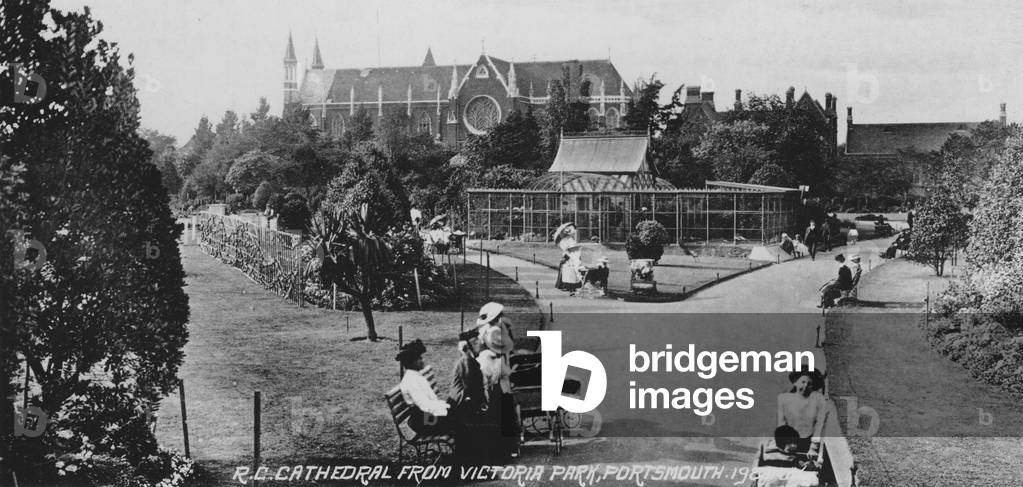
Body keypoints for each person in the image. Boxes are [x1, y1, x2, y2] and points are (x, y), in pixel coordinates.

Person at [474, 303, 520, 458]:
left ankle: (509, 446)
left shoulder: (493, 330)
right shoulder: (492, 332)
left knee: (505, 411)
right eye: (500, 315)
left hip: (499, 375)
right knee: (503, 412)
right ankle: (506, 448)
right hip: (495, 377)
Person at [396, 339, 451, 436]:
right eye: (419, 359)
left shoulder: (416, 376)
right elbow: (424, 406)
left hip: (428, 416)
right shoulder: (410, 381)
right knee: (460, 422)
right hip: (424, 422)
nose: (422, 361)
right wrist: (446, 411)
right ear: (412, 362)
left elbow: (431, 400)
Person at [777, 368, 827, 457]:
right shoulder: (783, 399)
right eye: (803, 382)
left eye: (809, 384)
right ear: (795, 382)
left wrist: (813, 447)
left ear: (813, 387)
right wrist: (786, 443)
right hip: (790, 442)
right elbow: (782, 423)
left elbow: (819, 425)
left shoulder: (818, 401)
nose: (805, 386)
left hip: (809, 442)